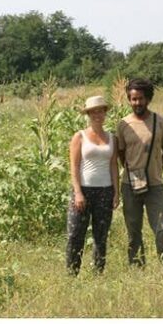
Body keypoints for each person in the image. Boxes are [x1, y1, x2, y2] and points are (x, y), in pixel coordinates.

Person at [116, 78, 163, 268]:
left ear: (148, 99)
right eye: (133, 99)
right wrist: (133, 171)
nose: (137, 103)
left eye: (140, 99)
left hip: (155, 186)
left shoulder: (161, 123)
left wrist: (156, 170)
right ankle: (137, 267)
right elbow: (120, 153)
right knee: (133, 230)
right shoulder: (123, 124)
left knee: (162, 229)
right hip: (130, 185)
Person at [65, 95, 119, 275]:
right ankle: (72, 273)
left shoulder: (112, 138)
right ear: (88, 114)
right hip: (84, 190)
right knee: (75, 235)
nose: (97, 115)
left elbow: (113, 165)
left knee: (101, 236)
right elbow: (74, 165)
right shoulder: (79, 137)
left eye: (100, 111)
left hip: (105, 190)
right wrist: (78, 192)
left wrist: (116, 192)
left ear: (105, 113)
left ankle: (98, 273)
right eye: (93, 112)